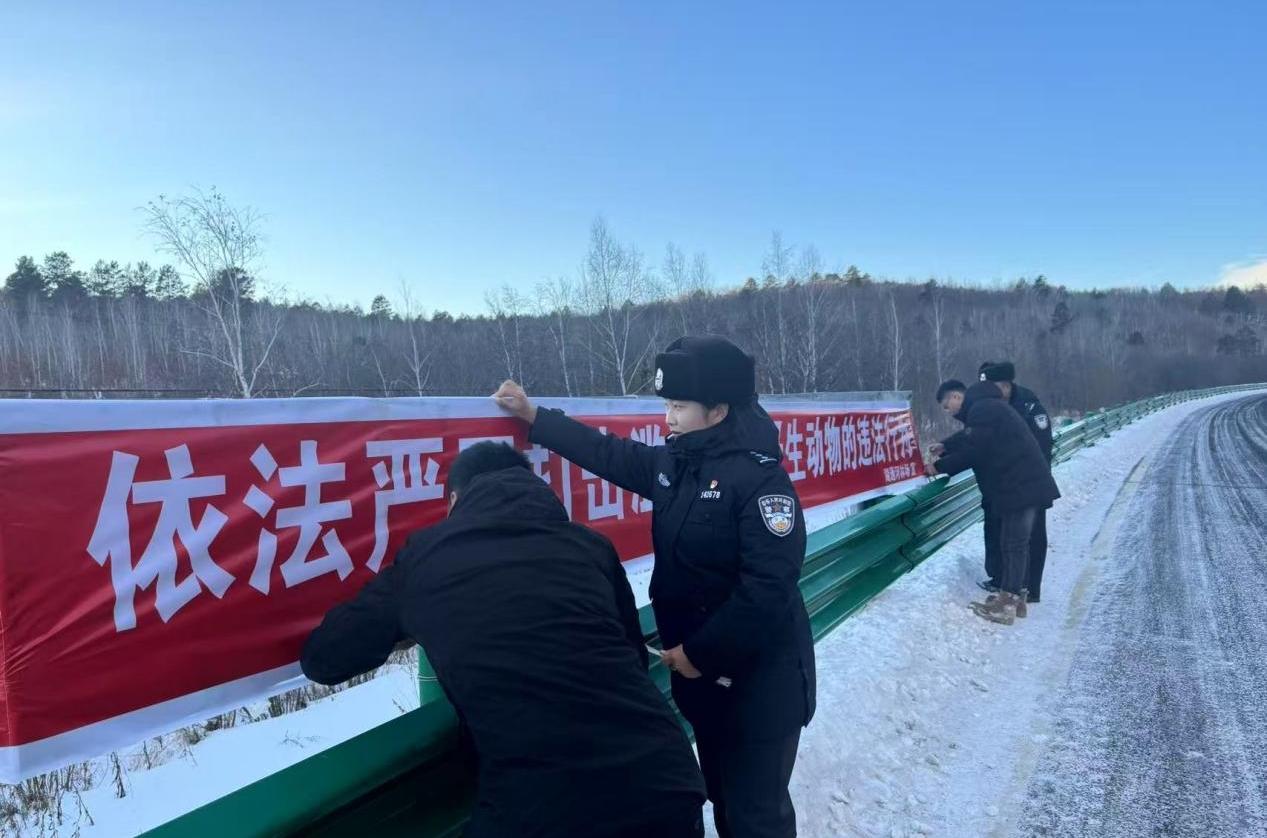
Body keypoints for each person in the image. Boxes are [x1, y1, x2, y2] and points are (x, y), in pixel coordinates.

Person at [300, 441, 707, 838]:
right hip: (663, 781)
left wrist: (404, 624)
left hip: (541, 807)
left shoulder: (425, 557)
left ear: (454, 500)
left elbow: (324, 658)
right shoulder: (589, 545)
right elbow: (632, 655)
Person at [494, 335, 814, 838]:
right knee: (724, 800)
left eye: (680, 407)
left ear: (718, 411)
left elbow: (768, 589)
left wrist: (699, 653)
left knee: (757, 817)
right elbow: (606, 453)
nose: (668, 418)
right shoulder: (676, 465)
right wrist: (534, 417)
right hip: (704, 684)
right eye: (667, 405)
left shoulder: (761, 483)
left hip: (760, 688)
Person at [928, 379, 1061, 624]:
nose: (948, 412)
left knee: (1013, 544)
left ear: (956, 397)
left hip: (1021, 486)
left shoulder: (983, 409)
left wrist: (938, 467)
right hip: (1023, 485)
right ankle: (1015, 598)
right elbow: (971, 437)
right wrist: (945, 446)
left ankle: (1007, 604)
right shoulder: (988, 406)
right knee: (1014, 543)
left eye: (947, 406)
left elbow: (974, 450)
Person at [977, 361, 1054, 603]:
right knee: (1005, 536)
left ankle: (1029, 588)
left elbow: (1042, 447)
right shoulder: (994, 405)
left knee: (1032, 536)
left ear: (1006, 385)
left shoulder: (1029, 405)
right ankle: (1004, 580)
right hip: (1006, 486)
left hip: (1031, 484)